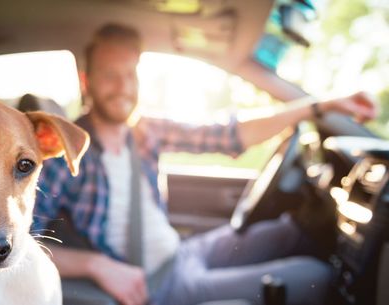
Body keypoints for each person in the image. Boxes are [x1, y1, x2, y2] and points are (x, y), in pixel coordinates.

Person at [31, 23, 377, 305]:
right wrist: (96, 266)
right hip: (159, 286)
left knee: (291, 231)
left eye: (130, 74)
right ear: (86, 81)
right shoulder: (65, 153)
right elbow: (21, 245)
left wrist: (320, 107)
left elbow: (231, 135)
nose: (123, 87)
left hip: (182, 252)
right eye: (109, 75)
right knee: (317, 276)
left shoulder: (145, 131)